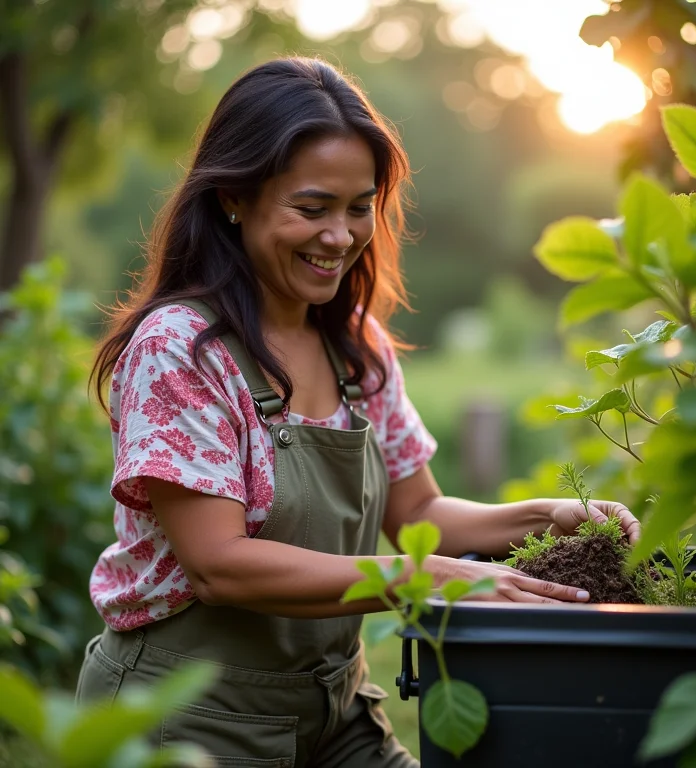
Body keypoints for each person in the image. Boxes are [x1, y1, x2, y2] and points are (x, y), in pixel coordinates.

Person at [77, 57, 640, 767]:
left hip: (333, 709)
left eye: (358, 207)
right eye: (312, 209)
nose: (340, 237)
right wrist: (427, 578)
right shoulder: (181, 350)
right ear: (233, 198)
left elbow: (418, 512)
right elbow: (220, 565)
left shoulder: (356, 348)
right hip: (188, 718)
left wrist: (544, 515)